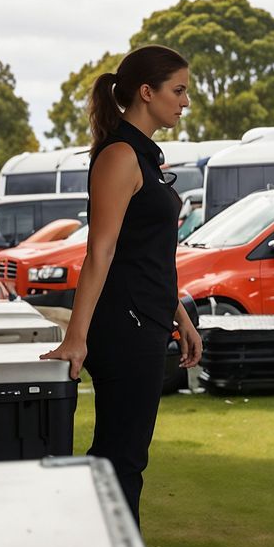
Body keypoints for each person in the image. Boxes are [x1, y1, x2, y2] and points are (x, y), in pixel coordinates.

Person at [42, 45, 203, 522]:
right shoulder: (120, 155)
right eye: (178, 90)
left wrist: (181, 319)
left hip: (149, 321)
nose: (185, 101)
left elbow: (148, 256)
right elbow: (101, 252)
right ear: (146, 92)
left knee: (125, 455)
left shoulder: (145, 157)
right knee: (122, 457)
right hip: (124, 326)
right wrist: (76, 337)